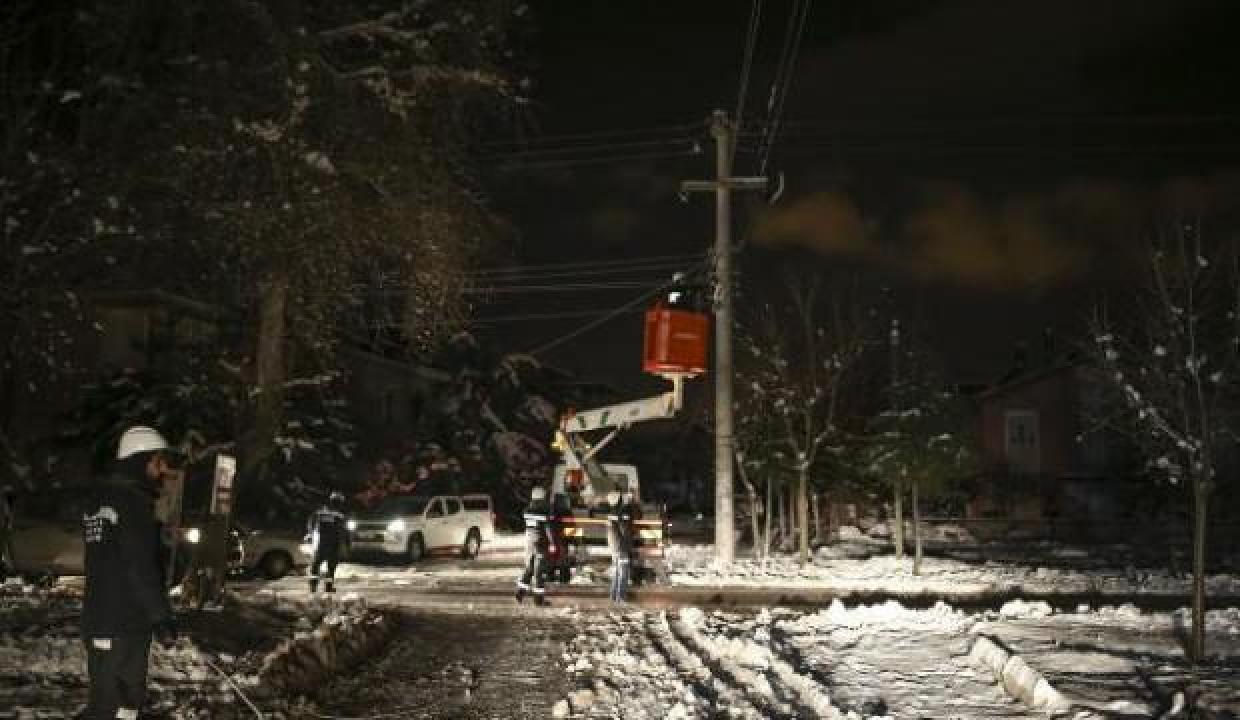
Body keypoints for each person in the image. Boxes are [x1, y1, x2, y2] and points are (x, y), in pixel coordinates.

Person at [80, 426, 178, 720]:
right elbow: (140, 568)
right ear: (140, 460)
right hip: (122, 623)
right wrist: (161, 617)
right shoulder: (132, 503)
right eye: (157, 462)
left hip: (103, 618)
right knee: (115, 706)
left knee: (114, 705)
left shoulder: (100, 498)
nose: (162, 470)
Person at [515, 485, 553, 606]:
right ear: (543, 496)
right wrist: (552, 542)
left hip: (529, 541)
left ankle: (520, 593)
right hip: (540, 542)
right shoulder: (545, 510)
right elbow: (548, 528)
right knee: (539, 571)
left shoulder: (527, 510)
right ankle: (538, 600)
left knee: (529, 568)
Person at [306, 492, 350, 595]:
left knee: (315, 565)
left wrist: (311, 534)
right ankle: (328, 587)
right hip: (333, 544)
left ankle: (313, 587)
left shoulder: (320, 512)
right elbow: (343, 531)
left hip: (320, 543)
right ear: (339, 502)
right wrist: (346, 545)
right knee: (331, 567)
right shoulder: (340, 515)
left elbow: (310, 523)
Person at [605, 491, 632, 603]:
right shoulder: (622, 514)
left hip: (614, 547)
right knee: (623, 572)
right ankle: (621, 597)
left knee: (616, 572)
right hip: (621, 547)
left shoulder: (611, 514)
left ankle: (613, 596)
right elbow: (625, 532)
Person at [0, 485, 15, 581]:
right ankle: (8, 568)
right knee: (5, 548)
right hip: (3, 529)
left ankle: (8, 568)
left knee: (6, 548)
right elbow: (6, 516)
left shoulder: (6, 503)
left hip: (4, 529)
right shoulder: (3, 503)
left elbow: (7, 516)